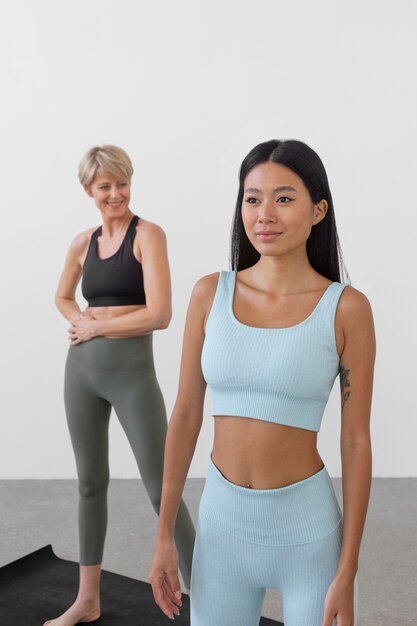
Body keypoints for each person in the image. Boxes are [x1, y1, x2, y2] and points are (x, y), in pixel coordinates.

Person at [148, 139, 375, 626]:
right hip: (221, 530)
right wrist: (164, 533)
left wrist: (348, 566)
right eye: (252, 198)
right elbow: (186, 414)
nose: (264, 214)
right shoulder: (210, 294)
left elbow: (355, 440)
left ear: (318, 211)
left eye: (284, 198)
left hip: (307, 534)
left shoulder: (347, 309)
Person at [44, 145, 195, 626]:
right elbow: (62, 295)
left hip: (132, 376)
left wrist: (98, 327)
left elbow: (161, 313)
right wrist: (78, 318)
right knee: (90, 484)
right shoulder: (81, 242)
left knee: (161, 487)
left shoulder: (148, 235)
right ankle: (88, 600)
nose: (116, 193)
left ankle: (211, 603)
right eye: (105, 186)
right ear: (89, 190)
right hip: (81, 372)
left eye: (122, 183)